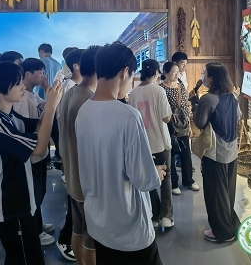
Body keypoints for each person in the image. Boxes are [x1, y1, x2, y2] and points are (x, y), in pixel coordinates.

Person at [76, 43, 165, 265]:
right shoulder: (128, 116)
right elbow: (143, 180)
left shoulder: (84, 110)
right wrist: (156, 173)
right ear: (125, 72)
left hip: (98, 222)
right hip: (129, 228)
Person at [0, 63, 63, 265]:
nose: (23, 87)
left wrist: (49, 101)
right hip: (11, 206)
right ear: (0, 90)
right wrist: (51, 107)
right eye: (17, 83)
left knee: (29, 255)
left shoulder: (8, 116)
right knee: (25, 258)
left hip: (22, 201)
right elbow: (40, 149)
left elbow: (39, 126)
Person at [58, 46, 101, 264]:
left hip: (73, 176)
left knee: (77, 229)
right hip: (88, 182)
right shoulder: (89, 99)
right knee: (92, 239)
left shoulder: (70, 93)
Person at [193, 62, 240, 243]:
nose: (203, 75)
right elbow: (238, 116)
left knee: (215, 193)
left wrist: (195, 102)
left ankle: (223, 232)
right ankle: (228, 224)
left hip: (215, 153)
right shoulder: (233, 97)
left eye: (205, 73)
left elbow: (200, 123)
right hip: (232, 151)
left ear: (211, 78)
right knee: (227, 191)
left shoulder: (208, 99)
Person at [11, 58, 55, 247]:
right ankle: (34, 232)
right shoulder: (22, 99)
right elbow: (32, 126)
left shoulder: (34, 95)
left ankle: (38, 224)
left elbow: (48, 110)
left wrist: (47, 89)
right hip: (32, 154)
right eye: (40, 72)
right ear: (27, 74)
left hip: (40, 152)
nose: (43, 75)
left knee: (39, 192)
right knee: (33, 195)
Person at [129, 59, 174, 229]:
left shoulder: (133, 93)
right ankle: (166, 216)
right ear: (156, 72)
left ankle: (154, 216)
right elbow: (166, 118)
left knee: (149, 179)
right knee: (166, 178)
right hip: (160, 142)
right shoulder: (158, 90)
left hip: (143, 144)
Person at [161, 61, 197, 195]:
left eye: (178, 72)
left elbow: (185, 107)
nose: (177, 75)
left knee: (186, 153)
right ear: (166, 73)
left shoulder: (181, 86)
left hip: (182, 125)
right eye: (174, 72)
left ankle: (189, 180)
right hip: (168, 126)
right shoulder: (161, 89)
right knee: (170, 155)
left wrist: (189, 126)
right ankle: (174, 183)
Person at [37, 44, 63, 164]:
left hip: (43, 99)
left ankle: (46, 159)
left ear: (41, 51)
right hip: (57, 100)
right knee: (56, 130)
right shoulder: (58, 64)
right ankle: (60, 155)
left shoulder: (40, 63)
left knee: (44, 129)